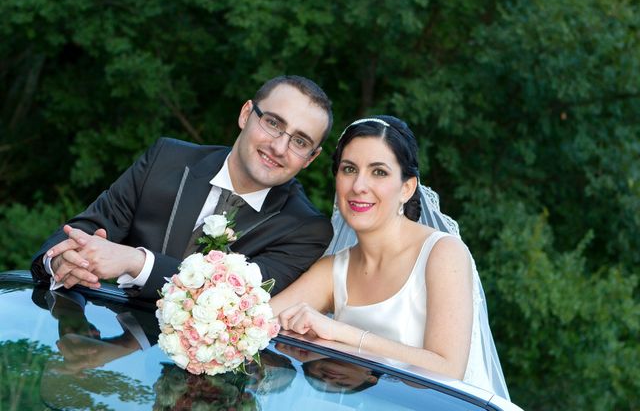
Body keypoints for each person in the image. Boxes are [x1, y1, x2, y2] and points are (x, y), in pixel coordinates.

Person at [271, 116, 510, 400]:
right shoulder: (334, 269)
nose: (359, 185)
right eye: (349, 169)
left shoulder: (442, 254)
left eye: (379, 172)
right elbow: (256, 321)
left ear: (407, 188)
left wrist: (337, 331)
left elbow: (447, 369)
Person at [31, 75, 334, 299]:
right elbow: (89, 227)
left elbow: (236, 299)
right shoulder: (166, 159)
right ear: (246, 114)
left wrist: (136, 261)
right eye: (273, 123)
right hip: (117, 353)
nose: (279, 147)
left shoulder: (305, 229)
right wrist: (62, 259)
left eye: (299, 141)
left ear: (311, 158)